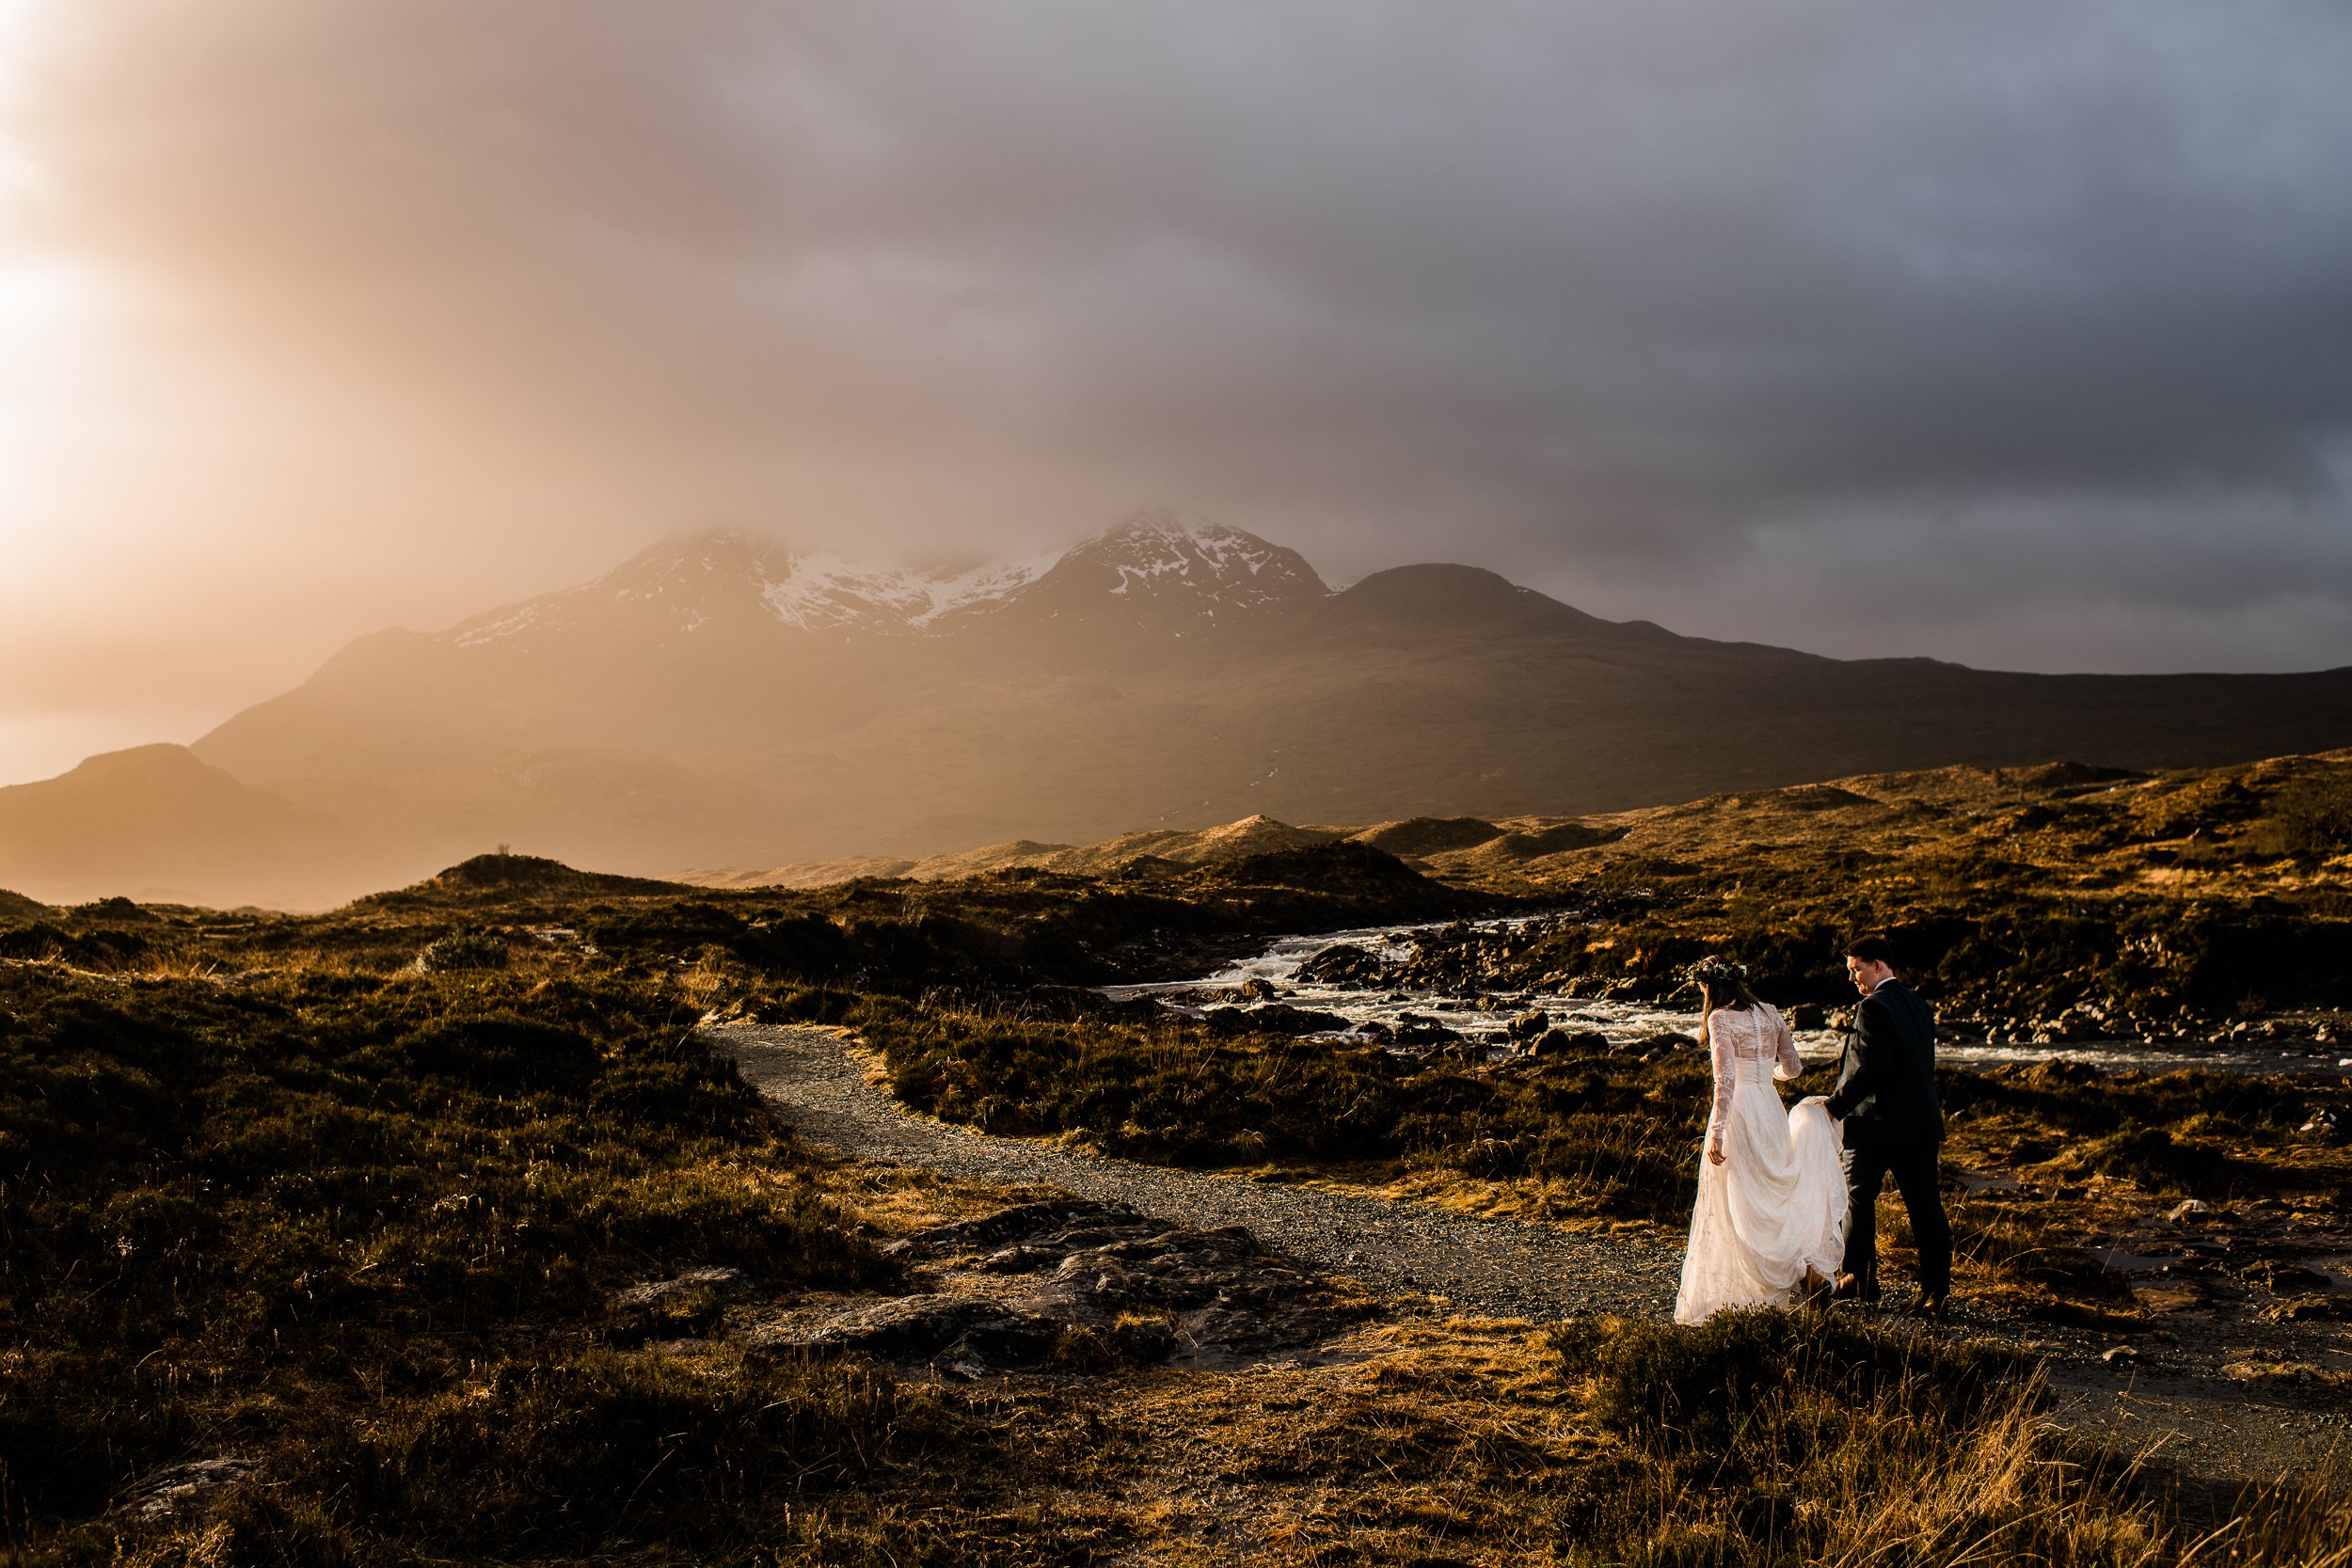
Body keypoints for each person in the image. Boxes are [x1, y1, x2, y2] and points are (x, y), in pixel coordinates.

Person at [1674, 956, 1850, 1325]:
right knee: (1773, 1195)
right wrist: (1764, 1076)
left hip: (1740, 1114)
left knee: (1737, 1202)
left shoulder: (1719, 1019)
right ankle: (1805, 1273)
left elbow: (1725, 1082)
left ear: (1711, 987)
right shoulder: (1770, 1012)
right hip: (1770, 1108)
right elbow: (1794, 1067)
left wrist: (1718, 1132)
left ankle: (1746, 1295)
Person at [1824, 933, 1953, 1318]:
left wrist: (1834, 1107)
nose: (1852, 979)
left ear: (1878, 965)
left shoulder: (1872, 1007)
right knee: (1926, 1206)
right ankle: (1936, 1293)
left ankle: (1857, 1279)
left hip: (1876, 1124)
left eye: (1856, 969)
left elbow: (1871, 1068)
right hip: (1920, 1123)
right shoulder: (1919, 1005)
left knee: (1858, 1198)